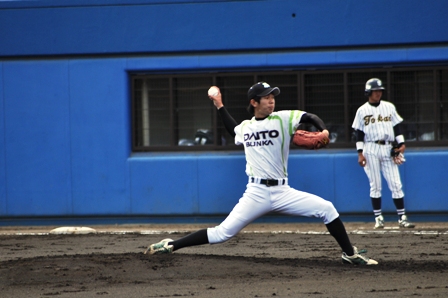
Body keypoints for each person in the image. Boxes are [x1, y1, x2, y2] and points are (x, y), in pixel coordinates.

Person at [145, 81, 378, 265]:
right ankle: (172, 244)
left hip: (282, 191)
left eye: (272, 97)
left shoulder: (283, 118)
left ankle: (349, 254)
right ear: (254, 102)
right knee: (221, 234)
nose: (271, 100)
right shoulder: (246, 127)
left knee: (327, 208)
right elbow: (231, 128)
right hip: (255, 192)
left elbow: (309, 117)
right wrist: (219, 104)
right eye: (267, 97)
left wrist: (323, 128)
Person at [352, 78, 415, 229]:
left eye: (380, 90)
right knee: (376, 185)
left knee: (395, 183)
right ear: (368, 92)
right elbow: (359, 134)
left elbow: (396, 127)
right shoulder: (362, 110)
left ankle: (402, 217)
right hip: (370, 148)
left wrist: (401, 144)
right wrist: (360, 153)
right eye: (375, 91)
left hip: (388, 148)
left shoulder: (389, 107)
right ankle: (378, 217)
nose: (378, 93)